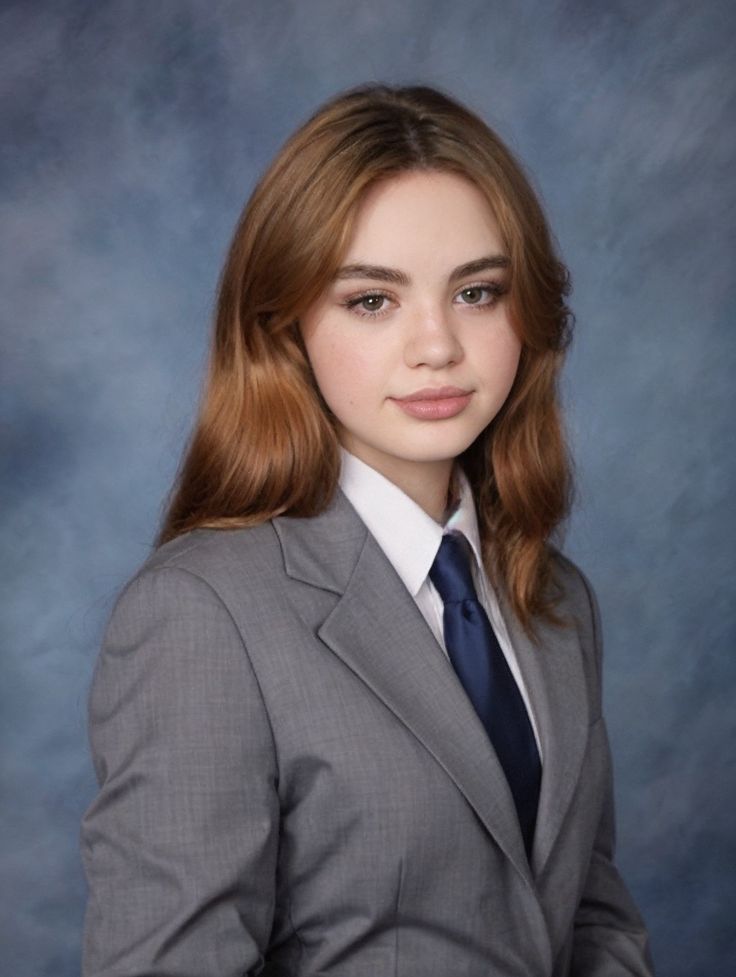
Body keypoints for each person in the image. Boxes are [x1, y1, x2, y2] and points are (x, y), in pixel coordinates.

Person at [81, 84, 654, 976]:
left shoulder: (557, 599)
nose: (436, 345)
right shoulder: (201, 615)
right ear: (286, 327)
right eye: (372, 301)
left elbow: (591, 919)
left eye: (476, 290)